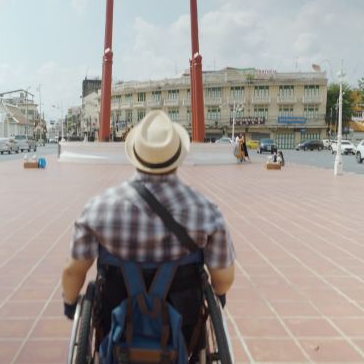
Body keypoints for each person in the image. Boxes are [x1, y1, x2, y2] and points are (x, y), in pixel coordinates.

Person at [61, 110, 235, 356]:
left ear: (135, 156)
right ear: (177, 157)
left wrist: (70, 304)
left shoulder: (99, 208)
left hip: (116, 328)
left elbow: (73, 270)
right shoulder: (206, 211)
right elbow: (223, 278)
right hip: (183, 332)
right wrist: (219, 295)